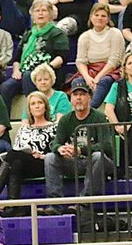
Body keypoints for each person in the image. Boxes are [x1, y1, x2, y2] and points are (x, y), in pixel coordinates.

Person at [43, 78, 114, 217]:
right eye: (75, 95)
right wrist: (60, 149)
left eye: (82, 94)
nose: (79, 98)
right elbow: (56, 143)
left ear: (89, 97)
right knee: (50, 157)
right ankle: (55, 205)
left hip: (98, 163)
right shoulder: (65, 119)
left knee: (97, 156)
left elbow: (107, 146)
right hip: (74, 162)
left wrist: (81, 150)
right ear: (71, 99)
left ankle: (84, 203)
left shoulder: (99, 117)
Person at [0, 91, 57, 216]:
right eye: (33, 104)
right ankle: (13, 206)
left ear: (45, 106)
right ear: (29, 110)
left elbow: (57, 152)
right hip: (23, 165)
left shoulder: (55, 127)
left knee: (13, 156)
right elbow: (17, 149)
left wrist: (42, 155)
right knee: (15, 162)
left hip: (44, 164)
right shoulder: (24, 129)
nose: (37, 106)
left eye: (40, 103)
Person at [0, 0, 69, 114]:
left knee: (28, 76)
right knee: (6, 87)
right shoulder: (28, 34)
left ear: (51, 14)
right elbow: (17, 58)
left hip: (47, 73)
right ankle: (5, 125)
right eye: (37, 11)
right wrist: (16, 70)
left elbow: (62, 57)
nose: (40, 13)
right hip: (24, 71)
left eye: (44, 10)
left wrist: (46, 68)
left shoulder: (57, 33)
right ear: (32, 15)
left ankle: (30, 116)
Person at [75, 3, 125, 108]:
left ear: (108, 19)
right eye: (96, 15)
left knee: (104, 81)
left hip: (110, 70)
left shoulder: (115, 33)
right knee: (78, 82)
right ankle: (78, 111)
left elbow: (115, 60)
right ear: (91, 17)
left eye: (103, 16)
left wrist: (98, 77)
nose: (99, 18)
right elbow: (80, 61)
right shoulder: (84, 36)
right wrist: (87, 77)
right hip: (90, 70)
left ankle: (90, 111)